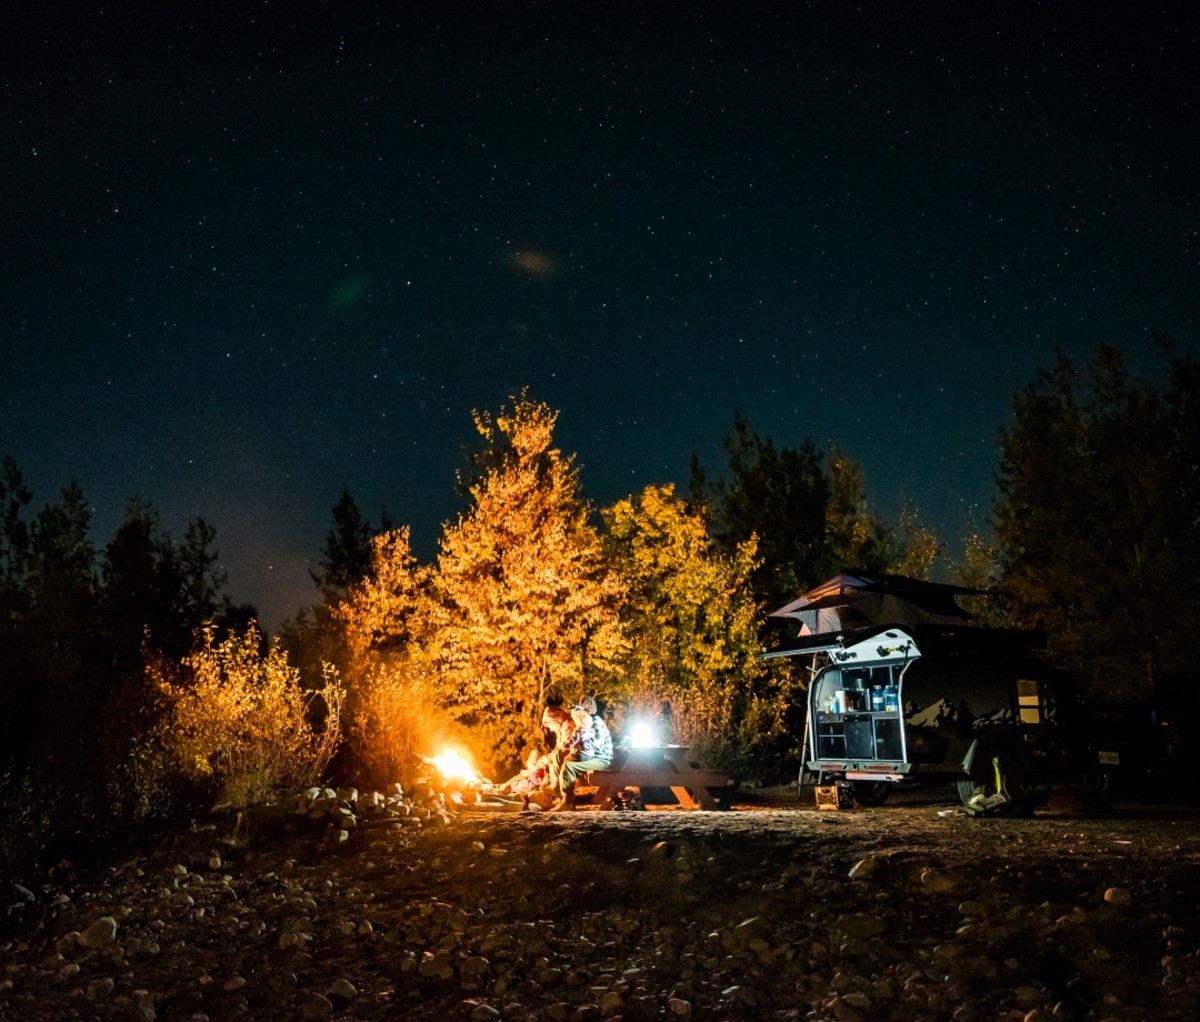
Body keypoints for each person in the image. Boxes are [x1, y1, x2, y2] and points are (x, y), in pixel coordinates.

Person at [551, 700, 614, 811]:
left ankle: (567, 802)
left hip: (600, 759)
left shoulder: (595, 722)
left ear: (587, 710)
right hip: (593, 756)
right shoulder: (587, 723)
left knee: (569, 766)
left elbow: (596, 744)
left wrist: (580, 742)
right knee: (560, 756)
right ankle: (564, 797)